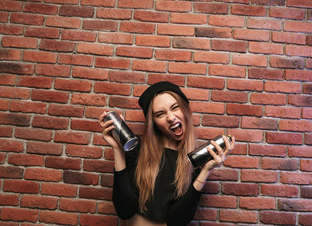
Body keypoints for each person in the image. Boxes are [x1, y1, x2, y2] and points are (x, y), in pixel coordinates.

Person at [99, 81, 235, 226]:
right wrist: (118, 149)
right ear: (154, 122)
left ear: (185, 109)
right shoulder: (137, 148)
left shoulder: (195, 161)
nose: (170, 117)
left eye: (174, 107)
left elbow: (178, 220)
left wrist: (206, 170)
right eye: (160, 114)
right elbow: (124, 210)